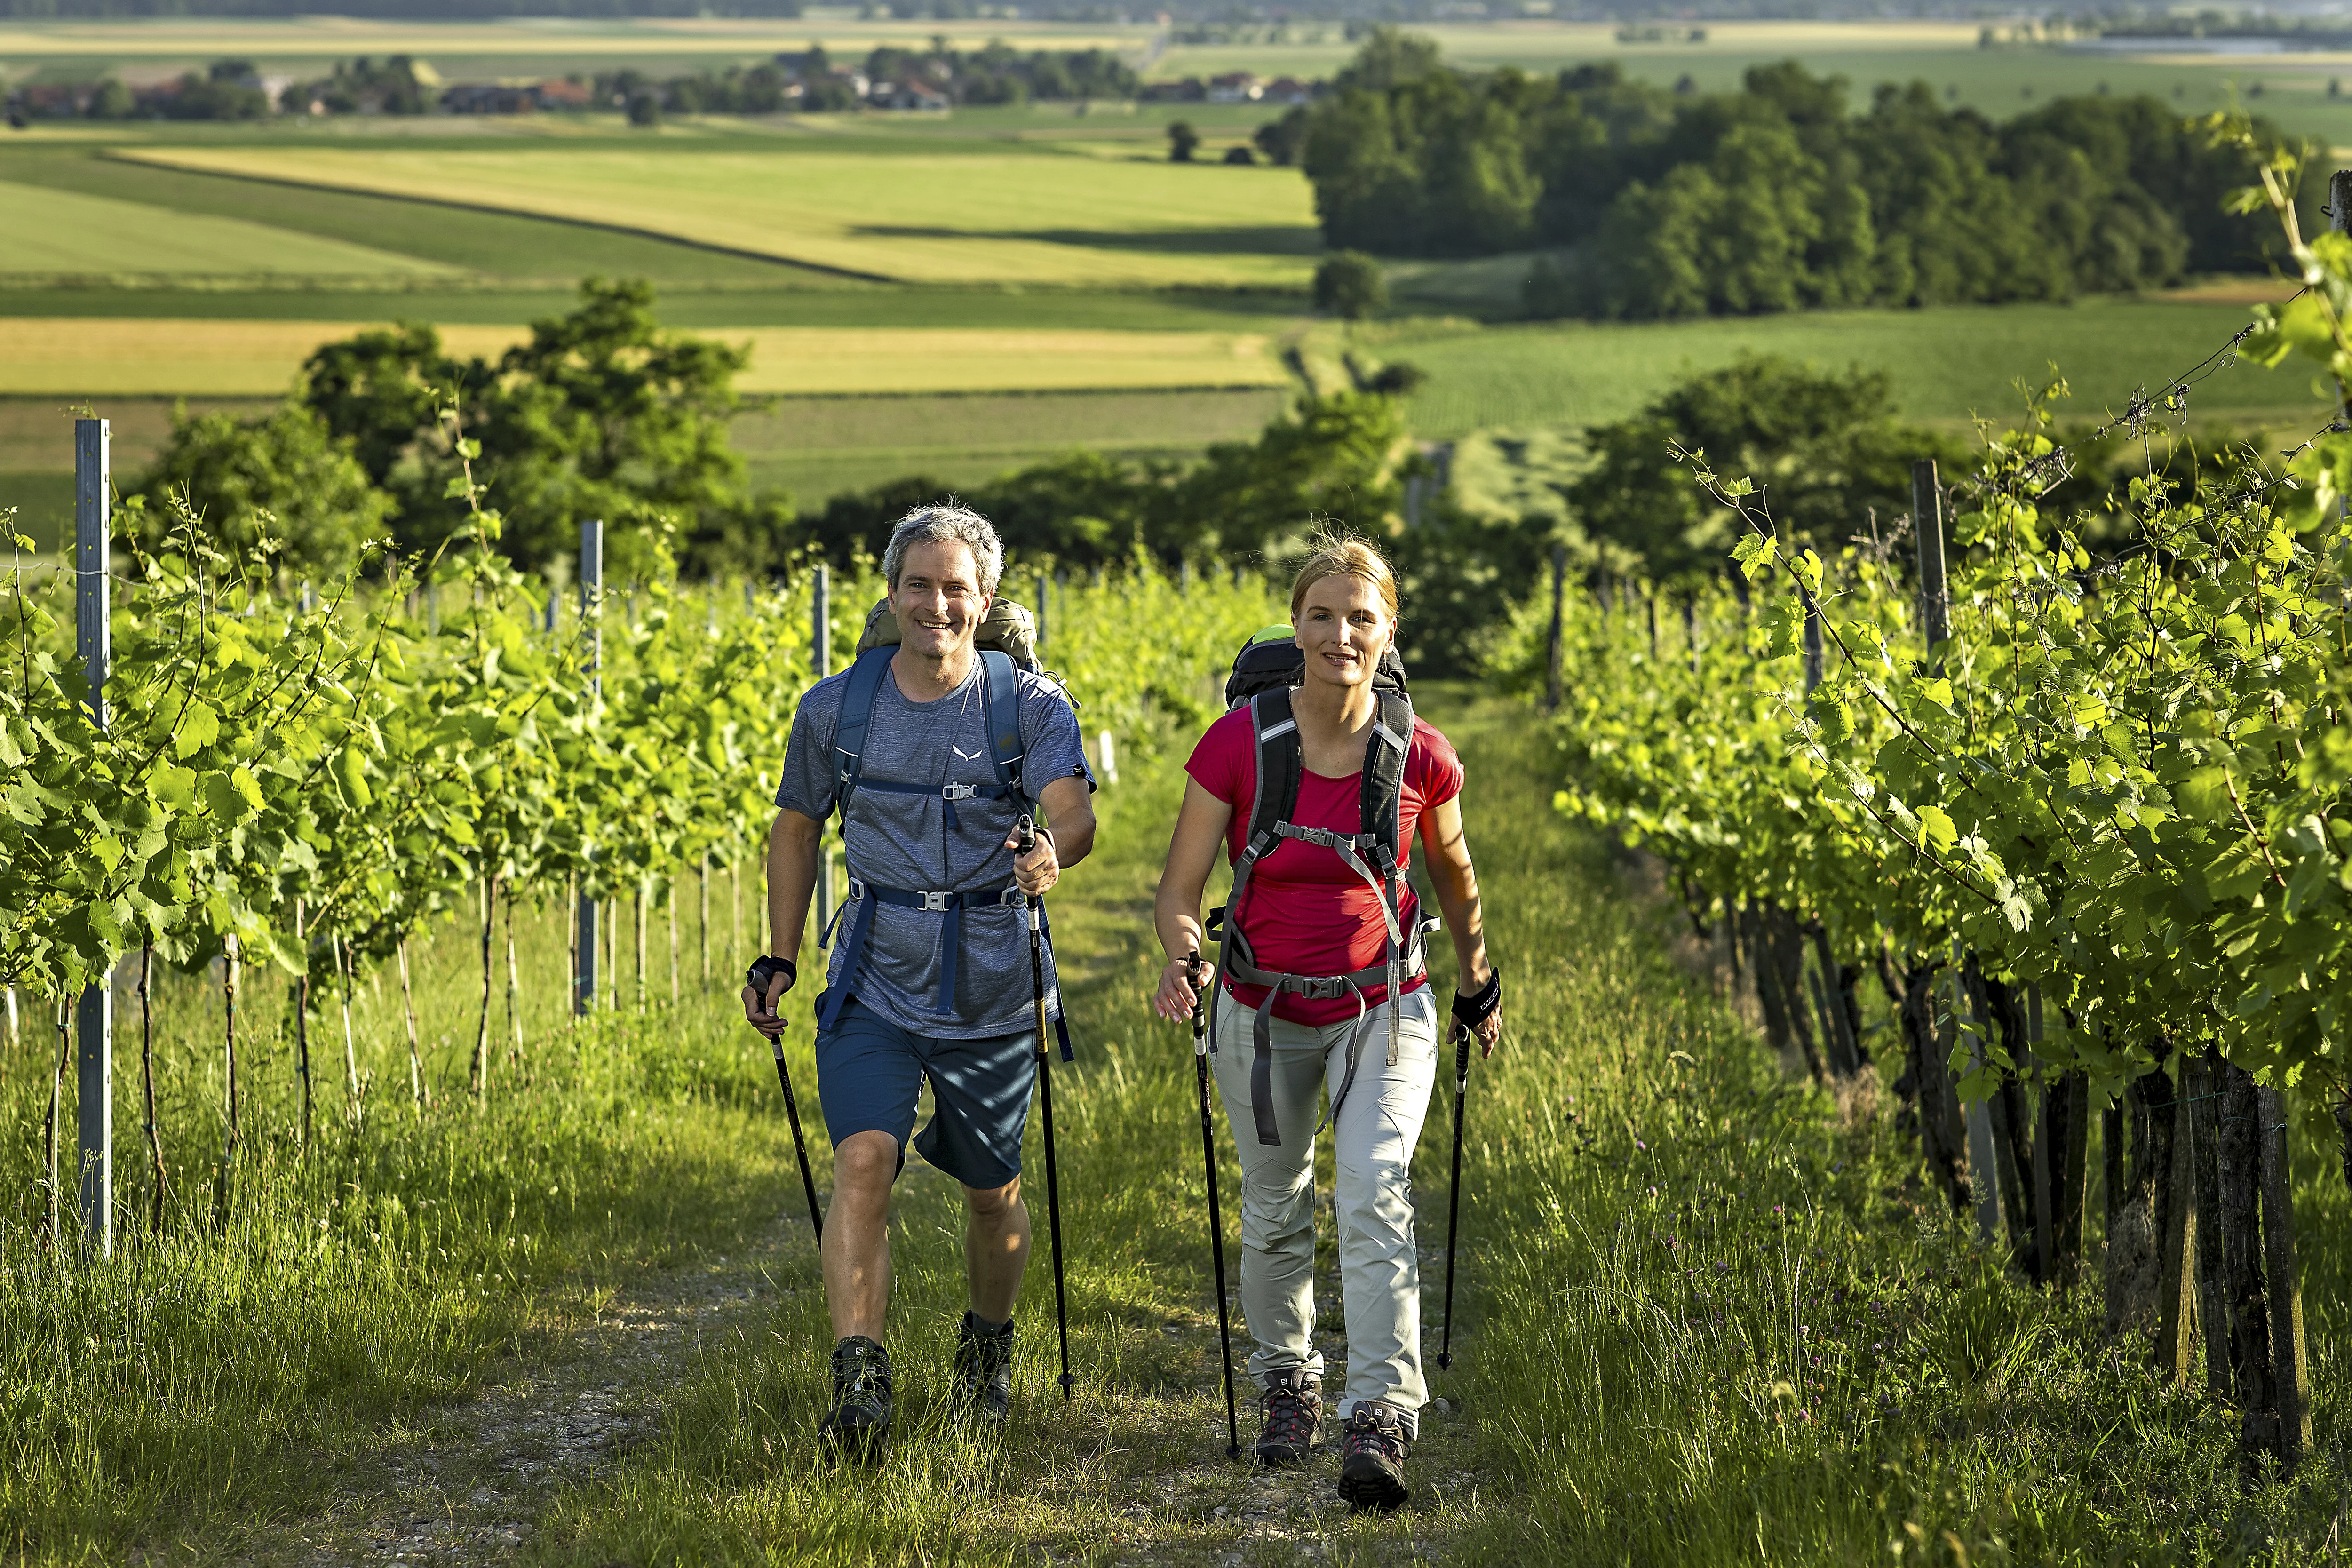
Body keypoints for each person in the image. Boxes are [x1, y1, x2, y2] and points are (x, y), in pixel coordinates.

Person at [1151, 536, 1501, 1512]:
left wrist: (1479, 980)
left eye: (1360, 617)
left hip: (1383, 1009)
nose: (1339, 633)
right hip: (1258, 1011)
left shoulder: (1421, 753)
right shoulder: (1237, 744)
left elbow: (1456, 883)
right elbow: (1180, 886)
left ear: (1388, 631)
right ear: (1296, 624)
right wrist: (1186, 957)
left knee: (1373, 1190)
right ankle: (1286, 1382)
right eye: (1320, 614)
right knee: (1273, 1203)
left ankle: (1380, 1413)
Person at [743, 505, 1096, 1460]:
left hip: (991, 982)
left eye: (956, 588)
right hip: (873, 978)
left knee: (992, 1191)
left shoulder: (1030, 704)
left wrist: (1049, 854)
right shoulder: (834, 709)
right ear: (891, 591)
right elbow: (796, 827)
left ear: (984, 601)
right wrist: (780, 955)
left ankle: (986, 1349)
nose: (935, 604)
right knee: (864, 1161)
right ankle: (859, 1380)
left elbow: (1072, 813)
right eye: (917, 585)